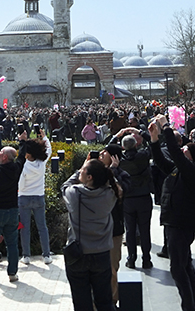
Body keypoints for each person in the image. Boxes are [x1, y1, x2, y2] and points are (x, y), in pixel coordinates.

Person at [148, 115, 195, 311]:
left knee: (177, 268)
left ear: (191, 157)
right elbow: (160, 161)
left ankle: (189, 307)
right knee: (186, 265)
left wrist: (166, 126)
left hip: (181, 224)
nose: (182, 150)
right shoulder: (178, 170)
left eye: (185, 150)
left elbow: (174, 151)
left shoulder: (193, 172)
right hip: (174, 222)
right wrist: (154, 139)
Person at [63, 154, 121, 311]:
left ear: (89, 177)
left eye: (82, 171)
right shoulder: (110, 194)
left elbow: (65, 186)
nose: (80, 172)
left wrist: (80, 168)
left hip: (78, 254)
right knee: (104, 301)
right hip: (102, 254)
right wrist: (110, 170)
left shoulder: (75, 193)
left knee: (81, 303)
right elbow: (115, 186)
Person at [0, 146, 23, 282]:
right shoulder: (16, 170)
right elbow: (22, 157)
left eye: (1, 152)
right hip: (13, 210)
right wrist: (23, 142)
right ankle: (12, 273)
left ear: (4, 157)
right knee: (12, 243)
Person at [118, 132, 152, 269]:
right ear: (136, 144)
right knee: (145, 230)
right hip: (143, 196)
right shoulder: (143, 156)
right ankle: (146, 259)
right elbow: (154, 145)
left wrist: (118, 135)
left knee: (130, 230)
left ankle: (131, 258)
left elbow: (108, 149)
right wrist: (145, 134)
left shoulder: (120, 160)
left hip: (128, 199)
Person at [18, 130, 52, 265]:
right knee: (42, 227)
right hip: (39, 197)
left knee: (24, 227)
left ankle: (26, 256)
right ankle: (47, 255)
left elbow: (20, 183)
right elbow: (49, 149)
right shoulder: (42, 163)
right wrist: (44, 137)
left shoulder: (23, 165)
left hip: (24, 197)